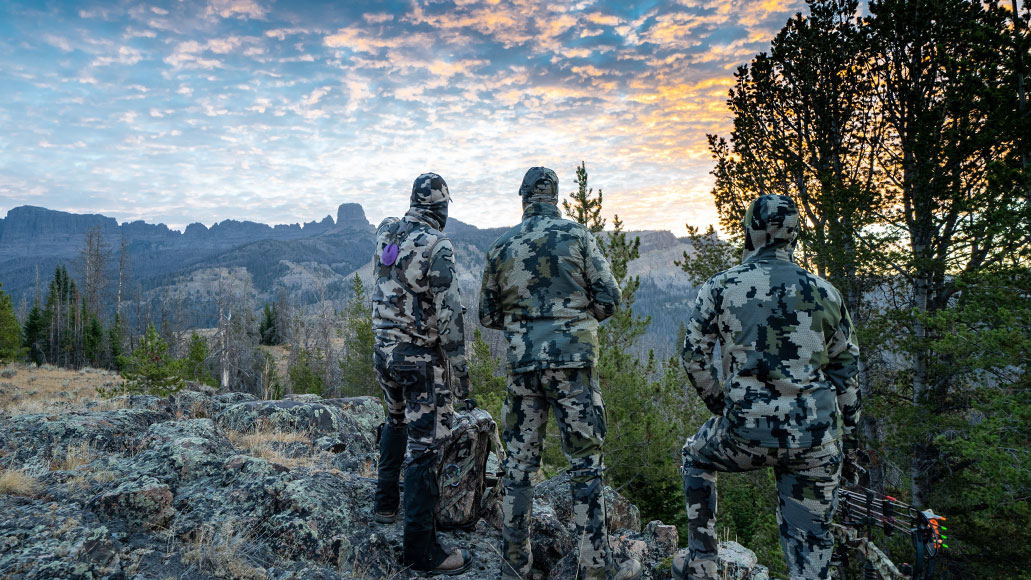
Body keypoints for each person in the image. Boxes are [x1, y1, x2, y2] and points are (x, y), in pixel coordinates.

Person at [673, 194, 861, 580]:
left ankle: (703, 561)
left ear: (750, 232)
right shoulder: (824, 291)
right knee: (811, 550)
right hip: (815, 438)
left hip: (747, 432)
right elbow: (845, 368)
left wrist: (721, 404)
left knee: (696, 455)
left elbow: (694, 357)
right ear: (793, 235)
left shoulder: (721, 287)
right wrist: (850, 433)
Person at [479, 167, 642, 580]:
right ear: (556, 197)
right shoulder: (579, 237)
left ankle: (514, 565)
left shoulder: (501, 246)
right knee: (585, 465)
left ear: (523, 196)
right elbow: (609, 298)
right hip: (574, 366)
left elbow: (487, 315)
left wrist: (526, 327)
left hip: (524, 369)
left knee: (518, 467)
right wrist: (575, 323)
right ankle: (594, 568)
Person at [372, 172, 474, 576]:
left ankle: (384, 504)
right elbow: (449, 320)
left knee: (394, 420)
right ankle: (421, 550)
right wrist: (462, 379)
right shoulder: (438, 246)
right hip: (419, 360)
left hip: (383, 351)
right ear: (442, 208)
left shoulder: (385, 231)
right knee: (426, 446)